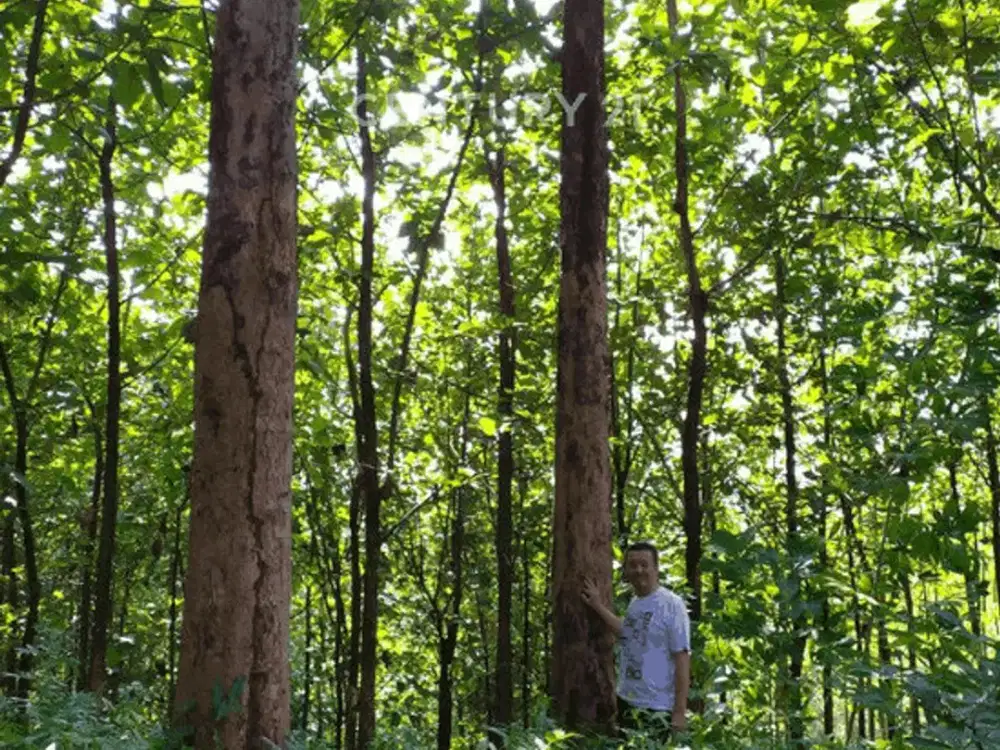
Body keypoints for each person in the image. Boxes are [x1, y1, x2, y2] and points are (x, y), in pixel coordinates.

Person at [582, 541, 691, 743]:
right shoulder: (636, 603)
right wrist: (597, 606)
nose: (638, 570)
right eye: (632, 565)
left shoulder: (671, 605)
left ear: (656, 568)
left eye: (644, 564)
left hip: (656, 707)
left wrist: (679, 710)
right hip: (628, 701)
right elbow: (627, 632)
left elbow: (682, 657)